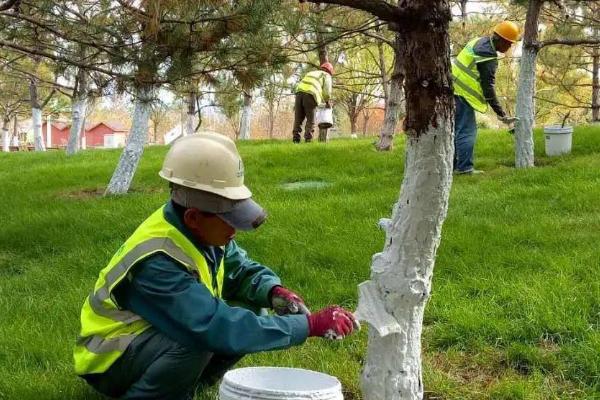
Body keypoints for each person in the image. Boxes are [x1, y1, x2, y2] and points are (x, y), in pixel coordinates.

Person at [74, 132, 357, 400]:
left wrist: (273, 291)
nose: (235, 230)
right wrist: (308, 325)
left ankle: (189, 385)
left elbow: (240, 270)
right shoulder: (156, 261)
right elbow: (214, 326)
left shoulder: (202, 232)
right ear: (194, 217)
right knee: (198, 340)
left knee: (250, 306)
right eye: (230, 219)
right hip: (109, 358)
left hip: (145, 339)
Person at [452, 21, 520, 174]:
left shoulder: (478, 41)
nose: (509, 48)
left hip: (452, 89)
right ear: (502, 40)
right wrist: (501, 114)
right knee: (466, 131)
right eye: (509, 44)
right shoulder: (488, 55)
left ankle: (453, 166)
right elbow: (488, 88)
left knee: (456, 130)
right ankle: (465, 168)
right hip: (463, 94)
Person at [292, 62, 334, 143]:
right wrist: (327, 102)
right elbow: (327, 92)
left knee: (298, 119)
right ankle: (308, 140)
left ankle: (295, 140)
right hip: (310, 95)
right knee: (311, 120)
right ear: (329, 71)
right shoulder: (326, 75)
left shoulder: (311, 72)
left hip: (299, 93)